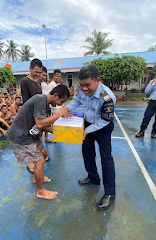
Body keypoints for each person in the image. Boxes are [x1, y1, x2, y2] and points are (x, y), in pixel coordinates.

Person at [8, 85, 72, 200]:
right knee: (40, 161)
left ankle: (36, 178)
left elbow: (45, 127)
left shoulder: (46, 105)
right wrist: (59, 114)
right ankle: (41, 191)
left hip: (32, 135)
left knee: (43, 154)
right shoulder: (40, 100)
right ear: (55, 95)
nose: (60, 105)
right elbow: (40, 124)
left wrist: (68, 133)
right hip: (22, 136)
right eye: (60, 101)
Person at [67, 64, 116, 210]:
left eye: (88, 85)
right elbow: (76, 100)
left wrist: (88, 130)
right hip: (87, 123)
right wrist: (66, 109)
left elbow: (105, 120)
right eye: (81, 85)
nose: (84, 89)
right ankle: (93, 177)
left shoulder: (107, 97)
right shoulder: (81, 89)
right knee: (87, 152)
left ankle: (110, 193)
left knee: (106, 158)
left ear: (97, 80)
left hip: (103, 127)